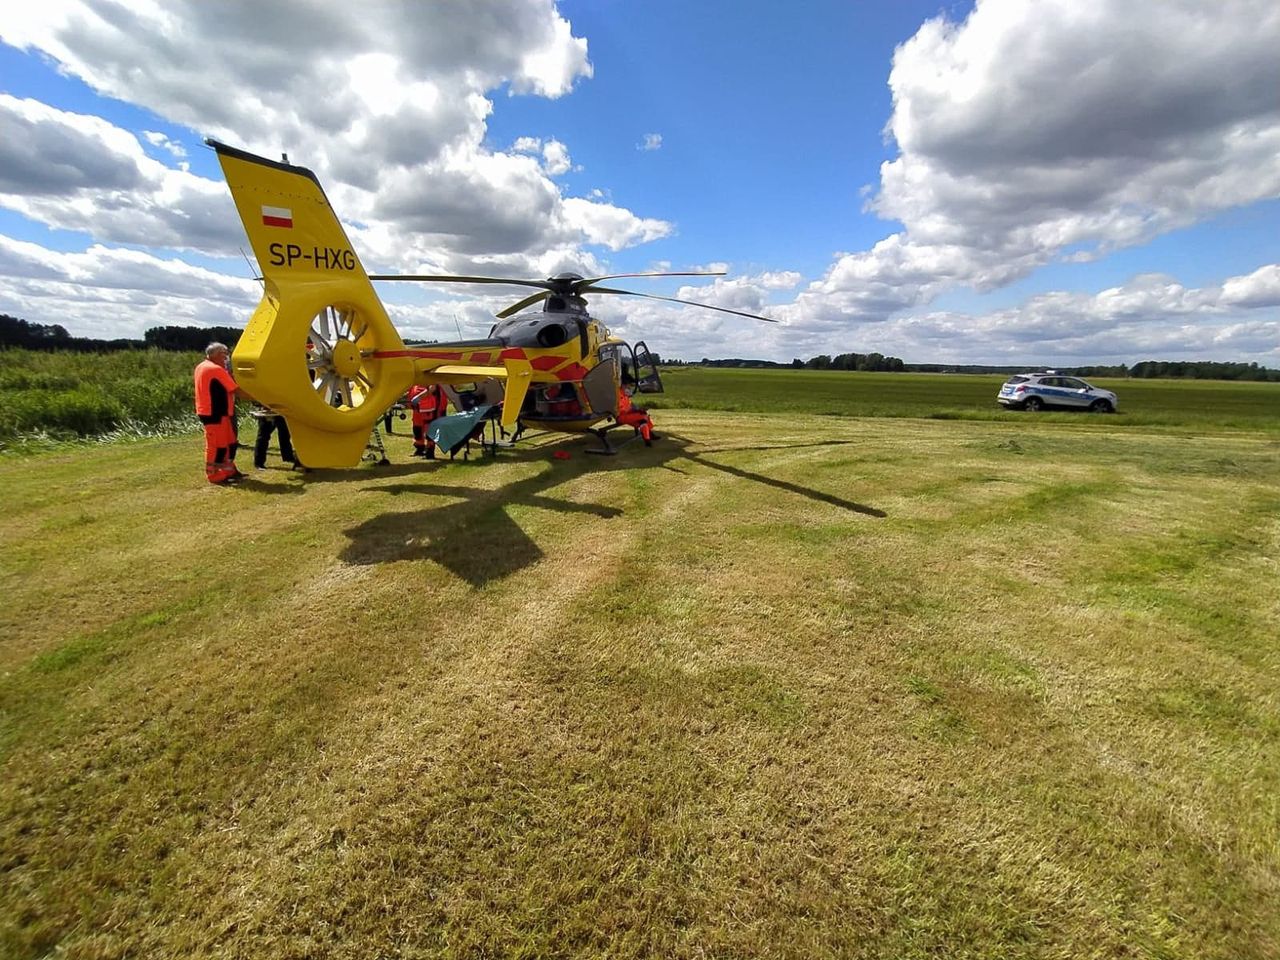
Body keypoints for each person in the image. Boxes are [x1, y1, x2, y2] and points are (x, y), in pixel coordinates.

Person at [193, 342, 242, 483]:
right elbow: (235, 390)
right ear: (215, 354)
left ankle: (229, 470)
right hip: (214, 413)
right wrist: (261, 396)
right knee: (217, 446)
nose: (226, 357)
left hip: (219, 412)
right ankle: (214, 475)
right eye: (224, 353)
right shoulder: (216, 369)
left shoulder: (201, 366)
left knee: (230, 442)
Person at [407, 383, 449, 458]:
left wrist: (418, 397)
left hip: (428, 409)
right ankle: (419, 449)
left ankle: (430, 452)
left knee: (429, 430)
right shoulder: (415, 380)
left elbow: (432, 388)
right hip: (417, 409)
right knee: (417, 429)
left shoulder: (430, 378)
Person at [251, 401, 296, 470]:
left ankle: (288, 457)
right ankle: (259, 463)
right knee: (263, 436)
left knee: (285, 434)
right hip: (266, 409)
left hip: (281, 408)